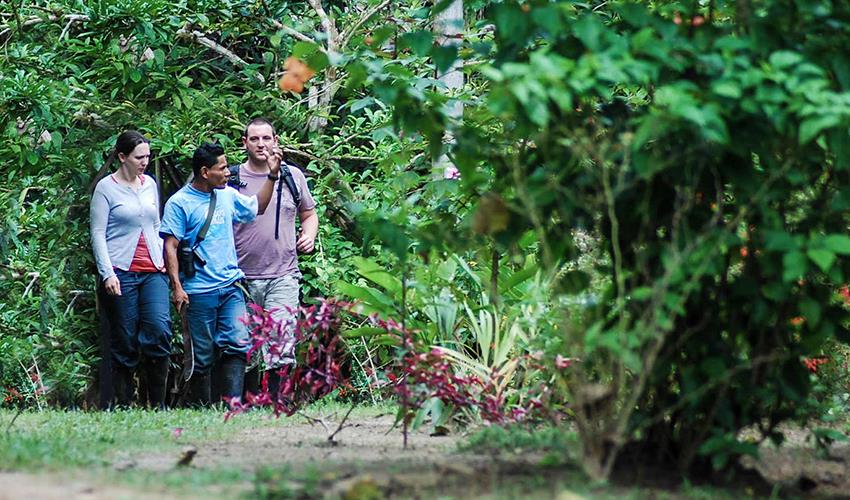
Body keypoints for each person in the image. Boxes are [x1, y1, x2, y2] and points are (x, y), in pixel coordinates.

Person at [160, 142, 279, 406]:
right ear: (205, 172)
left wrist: (272, 175)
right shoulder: (180, 203)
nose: (228, 172)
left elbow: (256, 207)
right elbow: (170, 246)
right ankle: (205, 406)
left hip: (230, 286)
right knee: (202, 355)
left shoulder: (226, 195)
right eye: (222, 168)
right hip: (198, 290)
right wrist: (177, 287)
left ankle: (232, 405)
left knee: (238, 341)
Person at [232, 118, 318, 395]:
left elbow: (309, 213)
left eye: (266, 138)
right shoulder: (231, 179)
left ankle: (276, 401)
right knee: (243, 345)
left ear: (276, 141)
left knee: (281, 340)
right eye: (254, 139)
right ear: (244, 143)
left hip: (283, 273)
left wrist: (309, 235)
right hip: (240, 277)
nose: (261, 144)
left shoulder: (292, 176)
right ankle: (244, 402)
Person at [90, 130, 171, 409]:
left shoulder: (150, 184)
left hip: (153, 270)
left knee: (159, 330)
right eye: (139, 157)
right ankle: (124, 405)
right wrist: (107, 273)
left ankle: (158, 404)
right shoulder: (106, 188)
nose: (145, 162)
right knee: (124, 339)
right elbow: (98, 233)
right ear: (122, 157)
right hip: (121, 270)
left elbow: (156, 224)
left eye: (148, 156)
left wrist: (164, 263)